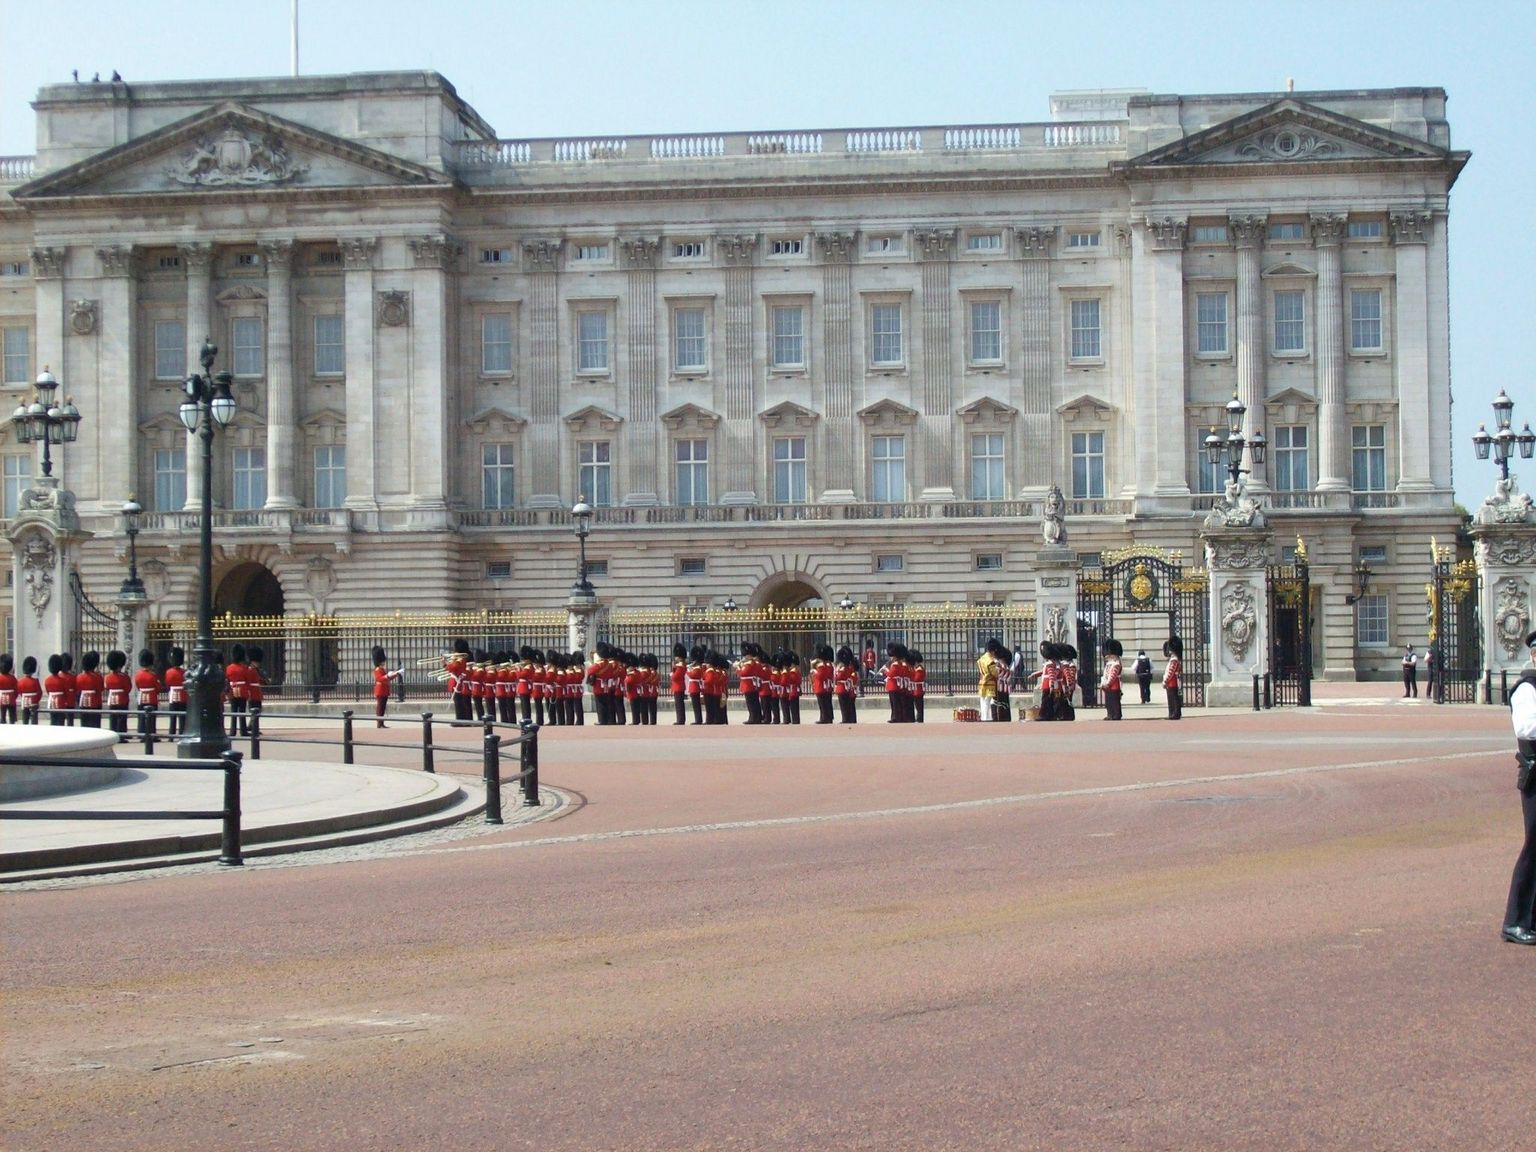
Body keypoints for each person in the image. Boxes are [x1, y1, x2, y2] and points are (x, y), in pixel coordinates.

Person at [1502, 629, 1536, 945]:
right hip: (1535, 775)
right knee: (1534, 845)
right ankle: (1515, 921)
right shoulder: (1527, 688)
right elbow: (1527, 727)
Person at [372, 646, 403, 727]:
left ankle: (381, 723)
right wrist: (387, 676)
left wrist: (396, 673)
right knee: (380, 708)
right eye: (382, 661)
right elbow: (379, 678)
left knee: (383, 708)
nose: (384, 662)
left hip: (384, 690)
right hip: (380, 690)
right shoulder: (377, 669)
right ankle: (379, 723)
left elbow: (387, 678)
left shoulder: (381, 669)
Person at [134, 648, 161, 739]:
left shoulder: (138, 674)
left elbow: (137, 686)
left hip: (141, 697)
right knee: (152, 718)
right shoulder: (152, 675)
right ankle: (152, 735)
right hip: (152, 698)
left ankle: (141, 734)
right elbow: (158, 688)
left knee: (141, 717)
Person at [102, 650, 130, 734]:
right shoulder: (124, 677)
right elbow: (128, 688)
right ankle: (122, 735)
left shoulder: (107, 677)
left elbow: (106, 687)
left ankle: (113, 733)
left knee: (113, 718)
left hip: (112, 699)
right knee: (122, 718)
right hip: (122, 699)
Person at [225, 642, 249, 737]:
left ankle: (233, 731)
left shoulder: (229, 668)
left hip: (232, 690)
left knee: (233, 711)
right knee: (242, 712)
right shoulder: (244, 668)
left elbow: (227, 678)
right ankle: (243, 731)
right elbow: (247, 680)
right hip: (242, 691)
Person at [76, 651, 103, 728]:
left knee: (85, 724)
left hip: (83, 702)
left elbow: (77, 690)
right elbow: (100, 689)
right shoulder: (97, 677)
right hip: (95, 703)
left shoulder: (79, 677)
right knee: (95, 724)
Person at [164, 647, 186, 736]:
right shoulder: (184, 672)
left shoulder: (168, 672)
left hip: (173, 695)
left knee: (172, 716)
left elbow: (167, 683)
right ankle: (182, 733)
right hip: (183, 695)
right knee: (182, 717)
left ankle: (171, 734)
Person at [834, 644, 859, 724]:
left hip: (843, 688)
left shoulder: (843, 668)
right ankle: (850, 719)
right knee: (848, 705)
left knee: (844, 706)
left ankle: (846, 719)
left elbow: (837, 678)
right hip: (846, 687)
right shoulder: (848, 667)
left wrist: (837, 671)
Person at [976, 642, 1001, 722]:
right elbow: (995, 673)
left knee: (982, 701)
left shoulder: (981, 659)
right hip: (989, 683)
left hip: (981, 681)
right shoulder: (990, 661)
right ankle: (986, 717)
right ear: (993, 651)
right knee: (988, 701)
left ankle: (984, 717)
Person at [811, 644, 835, 724]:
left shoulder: (823, 665)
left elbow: (820, 676)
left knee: (823, 704)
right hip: (825, 686)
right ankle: (826, 717)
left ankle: (825, 718)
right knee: (825, 703)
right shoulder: (827, 664)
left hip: (821, 686)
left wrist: (814, 671)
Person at [1100, 639, 1124, 721]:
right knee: (1108, 701)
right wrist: (1103, 683)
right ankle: (1110, 714)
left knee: (1115, 700)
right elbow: (1105, 675)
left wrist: (1108, 683)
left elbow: (1113, 675)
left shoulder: (1116, 664)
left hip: (1114, 685)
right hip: (1108, 685)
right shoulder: (1109, 664)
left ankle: (1116, 714)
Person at [18, 656, 43, 725]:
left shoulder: (20, 681)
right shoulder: (35, 681)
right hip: (34, 702)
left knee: (25, 720)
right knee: (34, 721)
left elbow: (20, 692)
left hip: (24, 702)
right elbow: (39, 693)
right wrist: (36, 700)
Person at [1163, 637, 1183, 720]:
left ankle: (1174, 713)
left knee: (1173, 698)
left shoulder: (1174, 660)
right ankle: (1173, 713)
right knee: (1172, 698)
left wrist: (1165, 681)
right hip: (1172, 681)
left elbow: (1171, 672)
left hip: (1172, 681)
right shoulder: (1174, 659)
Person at [0, 654, 17, 724]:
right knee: (12, 717)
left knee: (3, 716)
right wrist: (14, 696)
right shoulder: (13, 678)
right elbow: (16, 689)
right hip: (11, 698)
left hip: (1, 699)